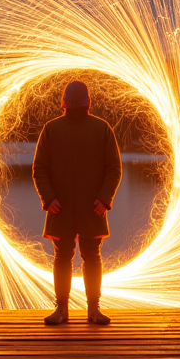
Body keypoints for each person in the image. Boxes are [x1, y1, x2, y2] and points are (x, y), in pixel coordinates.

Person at [32, 80, 122, 325]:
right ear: (89, 102)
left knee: (64, 257)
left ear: (63, 102)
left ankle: (62, 310)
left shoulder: (52, 128)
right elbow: (114, 169)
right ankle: (93, 311)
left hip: (65, 207)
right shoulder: (101, 128)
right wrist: (103, 200)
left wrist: (49, 199)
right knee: (91, 257)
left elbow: (39, 170)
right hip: (90, 207)